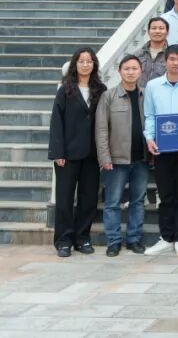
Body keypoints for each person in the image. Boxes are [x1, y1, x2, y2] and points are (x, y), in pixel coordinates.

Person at [50, 47, 106, 257]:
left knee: (89, 198)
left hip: (92, 154)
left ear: (94, 64)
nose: (85, 65)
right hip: (67, 154)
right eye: (81, 61)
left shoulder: (100, 89)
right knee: (64, 199)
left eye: (89, 61)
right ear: (75, 64)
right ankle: (63, 241)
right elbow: (56, 122)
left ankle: (82, 238)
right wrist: (58, 152)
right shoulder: (65, 89)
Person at [142, 45, 178, 256]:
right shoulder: (153, 86)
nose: (175, 63)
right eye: (172, 59)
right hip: (162, 146)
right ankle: (166, 237)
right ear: (165, 61)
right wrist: (149, 138)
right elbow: (149, 115)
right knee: (165, 193)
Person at [95, 55, 149, 257]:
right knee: (112, 202)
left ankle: (134, 239)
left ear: (140, 71)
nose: (130, 72)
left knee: (138, 201)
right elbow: (101, 130)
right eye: (127, 68)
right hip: (116, 160)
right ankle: (113, 241)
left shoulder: (146, 95)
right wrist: (104, 157)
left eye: (134, 68)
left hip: (141, 159)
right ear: (120, 71)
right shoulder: (108, 96)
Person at [136, 16, 170, 86]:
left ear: (167, 32)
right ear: (148, 32)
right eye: (154, 28)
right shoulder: (138, 54)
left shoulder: (171, 55)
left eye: (161, 28)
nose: (157, 31)